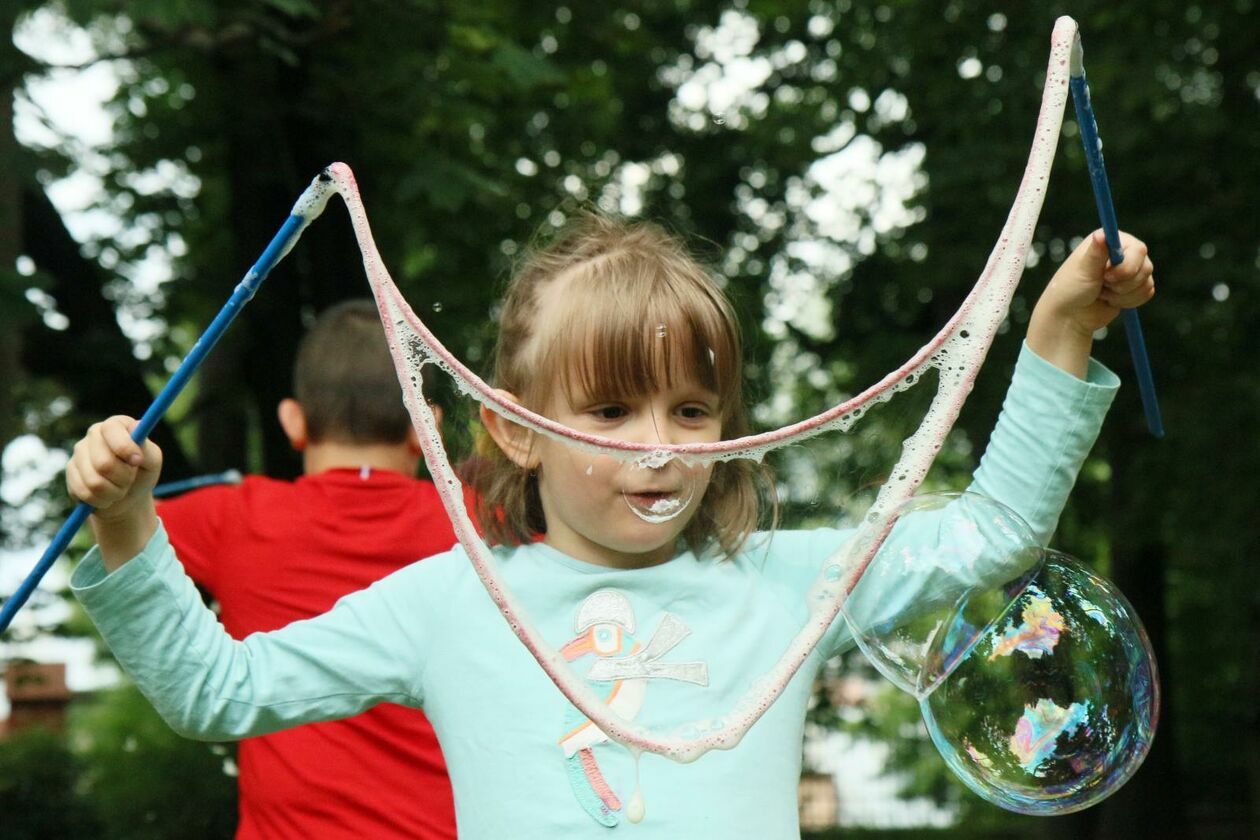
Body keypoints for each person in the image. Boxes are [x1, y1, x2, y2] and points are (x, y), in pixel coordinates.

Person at [65, 216, 1154, 838]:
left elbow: (992, 533)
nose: (661, 445)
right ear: (516, 430)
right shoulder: (453, 601)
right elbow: (219, 690)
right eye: (609, 410)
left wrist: (1057, 326)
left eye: (691, 410)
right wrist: (126, 527)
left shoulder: (785, 582)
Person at [149, 300, 458, 839]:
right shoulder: (483, 526)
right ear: (425, 427)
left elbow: (118, 523)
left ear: (292, 421)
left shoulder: (233, 519)